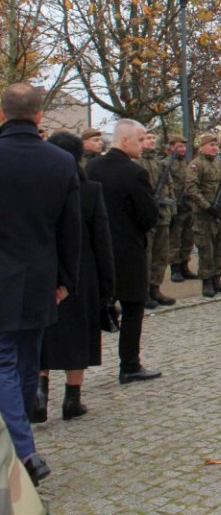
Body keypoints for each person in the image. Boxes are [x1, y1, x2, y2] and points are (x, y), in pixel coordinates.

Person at [0, 83, 81, 487]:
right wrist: (66, 278)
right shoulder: (60, 161)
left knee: (6, 362)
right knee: (27, 360)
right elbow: (71, 228)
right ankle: (22, 446)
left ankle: (23, 450)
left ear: (2, 114)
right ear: (38, 115)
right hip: (39, 277)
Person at [34, 132, 115, 424]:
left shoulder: (38, 188)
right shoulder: (90, 190)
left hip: (45, 269)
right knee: (79, 335)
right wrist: (108, 284)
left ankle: (39, 394)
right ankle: (72, 399)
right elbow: (102, 240)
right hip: (83, 271)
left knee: (45, 333)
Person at [86, 118, 161, 384]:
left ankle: (79, 370)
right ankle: (129, 365)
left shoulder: (92, 167)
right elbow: (149, 214)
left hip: (96, 249)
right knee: (133, 307)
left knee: (95, 307)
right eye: (140, 140)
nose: (143, 145)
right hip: (128, 249)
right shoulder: (134, 172)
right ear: (125, 140)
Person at [185, 134, 221, 298]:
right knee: (206, 248)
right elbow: (191, 189)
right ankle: (207, 281)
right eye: (211, 145)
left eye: (215, 145)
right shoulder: (196, 165)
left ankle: (217, 278)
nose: (214, 148)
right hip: (204, 214)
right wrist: (207, 206)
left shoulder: (218, 164)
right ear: (202, 147)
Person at [139, 131, 176, 308]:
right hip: (146, 216)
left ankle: (155, 288)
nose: (152, 141)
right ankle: (144, 291)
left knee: (161, 255)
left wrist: (172, 211)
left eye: (154, 138)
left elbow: (170, 186)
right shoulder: (137, 162)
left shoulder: (160, 163)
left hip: (162, 215)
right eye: (148, 138)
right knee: (146, 256)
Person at [166, 134, 199, 283]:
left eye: (184, 146)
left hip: (188, 206)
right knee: (175, 240)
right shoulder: (166, 164)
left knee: (188, 239)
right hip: (176, 206)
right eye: (179, 146)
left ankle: (184, 266)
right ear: (171, 147)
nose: (182, 149)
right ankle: (175, 268)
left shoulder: (187, 163)